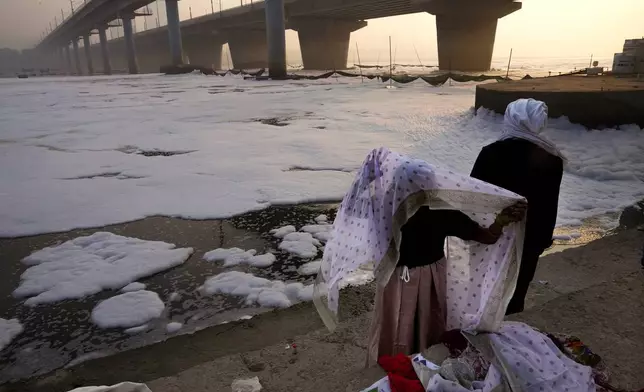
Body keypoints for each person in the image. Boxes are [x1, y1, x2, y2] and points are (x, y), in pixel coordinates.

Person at [368, 203, 526, 365]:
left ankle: (420, 365)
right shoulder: (384, 206)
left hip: (426, 281)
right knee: (394, 324)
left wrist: (500, 222)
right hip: (394, 280)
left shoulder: (438, 210)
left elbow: (486, 236)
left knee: (424, 324)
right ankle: (395, 364)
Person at [470, 98, 565, 315]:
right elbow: (549, 205)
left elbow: (474, 197)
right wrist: (542, 241)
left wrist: (472, 232)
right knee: (516, 290)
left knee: (484, 288)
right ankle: (508, 331)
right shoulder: (552, 158)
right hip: (529, 239)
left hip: (493, 233)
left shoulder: (491, 152)